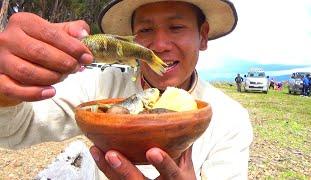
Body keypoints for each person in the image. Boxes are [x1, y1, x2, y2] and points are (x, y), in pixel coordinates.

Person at [0, 0, 253, 179]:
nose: (159, 45)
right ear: (132, 37)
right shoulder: (100, 85)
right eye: (145, 30)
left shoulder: (230, 119)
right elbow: (17, 129)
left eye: (176, 27)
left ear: (204, 35)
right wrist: (7, 91)